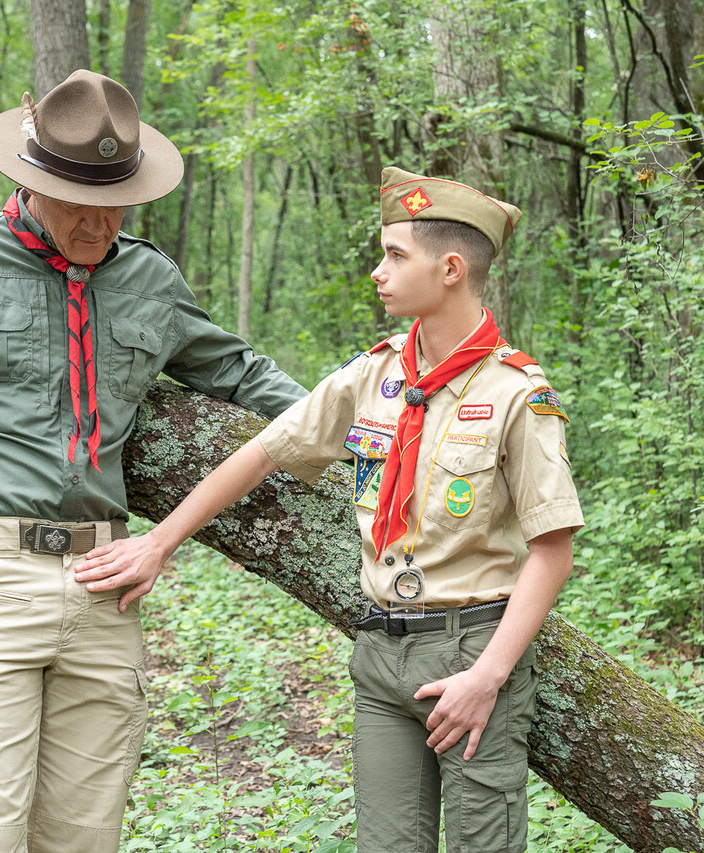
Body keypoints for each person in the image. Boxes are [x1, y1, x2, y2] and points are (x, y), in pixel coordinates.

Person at [0, 69, 305, 853]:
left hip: (104, 590)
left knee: (85, 838)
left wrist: (365, 428)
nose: (99, 225)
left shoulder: (148, 277)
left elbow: (240, 372)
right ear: (29, 181)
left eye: (115, 202)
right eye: (79, 205)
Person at [78, 166, 584, 852]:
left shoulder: (517, 392)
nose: (379, 271)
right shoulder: (373, 376)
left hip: (471, 648)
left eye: (396, 256)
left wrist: (486, 675)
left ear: (452, 269)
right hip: (380, 650)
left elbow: (553, 548)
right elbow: (262, 451)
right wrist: (160, 542)